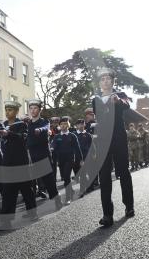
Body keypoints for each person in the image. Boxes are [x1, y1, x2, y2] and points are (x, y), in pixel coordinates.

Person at [92, 68, 134, 227]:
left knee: (123, 172)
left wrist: (118, 101)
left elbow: (127, 105)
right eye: (102, 79)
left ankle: (129, 206)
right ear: (100, 82)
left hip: (118, 138)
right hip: (103, 141)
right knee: (104, 176)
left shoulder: (120, 95)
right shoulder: (95, 99)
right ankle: (107, 214)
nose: (105, 81)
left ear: (112, 81)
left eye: (108, 78)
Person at [0, 101, 37, 230]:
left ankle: (32, 213)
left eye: (11, 110)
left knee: (26, 189)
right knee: (8, 191)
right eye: (6, 109)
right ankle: (5, 221)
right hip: (7, 162)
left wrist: (9, 134)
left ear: (16, 111)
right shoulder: (3, 125)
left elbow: (22, 138)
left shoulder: (22, 124)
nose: (8, 112)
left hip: (20, 161)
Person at [25, 99, 62, 210]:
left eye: (35, 108)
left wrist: (40, 130)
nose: (33, 110)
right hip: (31, 156)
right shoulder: (28, 123)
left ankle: (56, 199)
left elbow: (46, 128)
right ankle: (31, 209)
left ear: (39, 110)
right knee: (30, 183)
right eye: (31, 108)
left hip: (43, 155)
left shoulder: (44, 122)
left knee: (48, 181)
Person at [51, 117, 82, 205]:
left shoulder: (72, 136)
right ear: (59, 126)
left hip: (70, 159)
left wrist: (80, 160)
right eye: (61, 124)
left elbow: (77, 149)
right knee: (65, 177)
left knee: (67, 178)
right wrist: (52, 147)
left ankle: (68, 197)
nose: (63, 126)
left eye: (65, 124)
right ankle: (71, 190)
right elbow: (53, 144)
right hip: (61, 161)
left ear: (68, 125)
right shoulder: (57, 136)